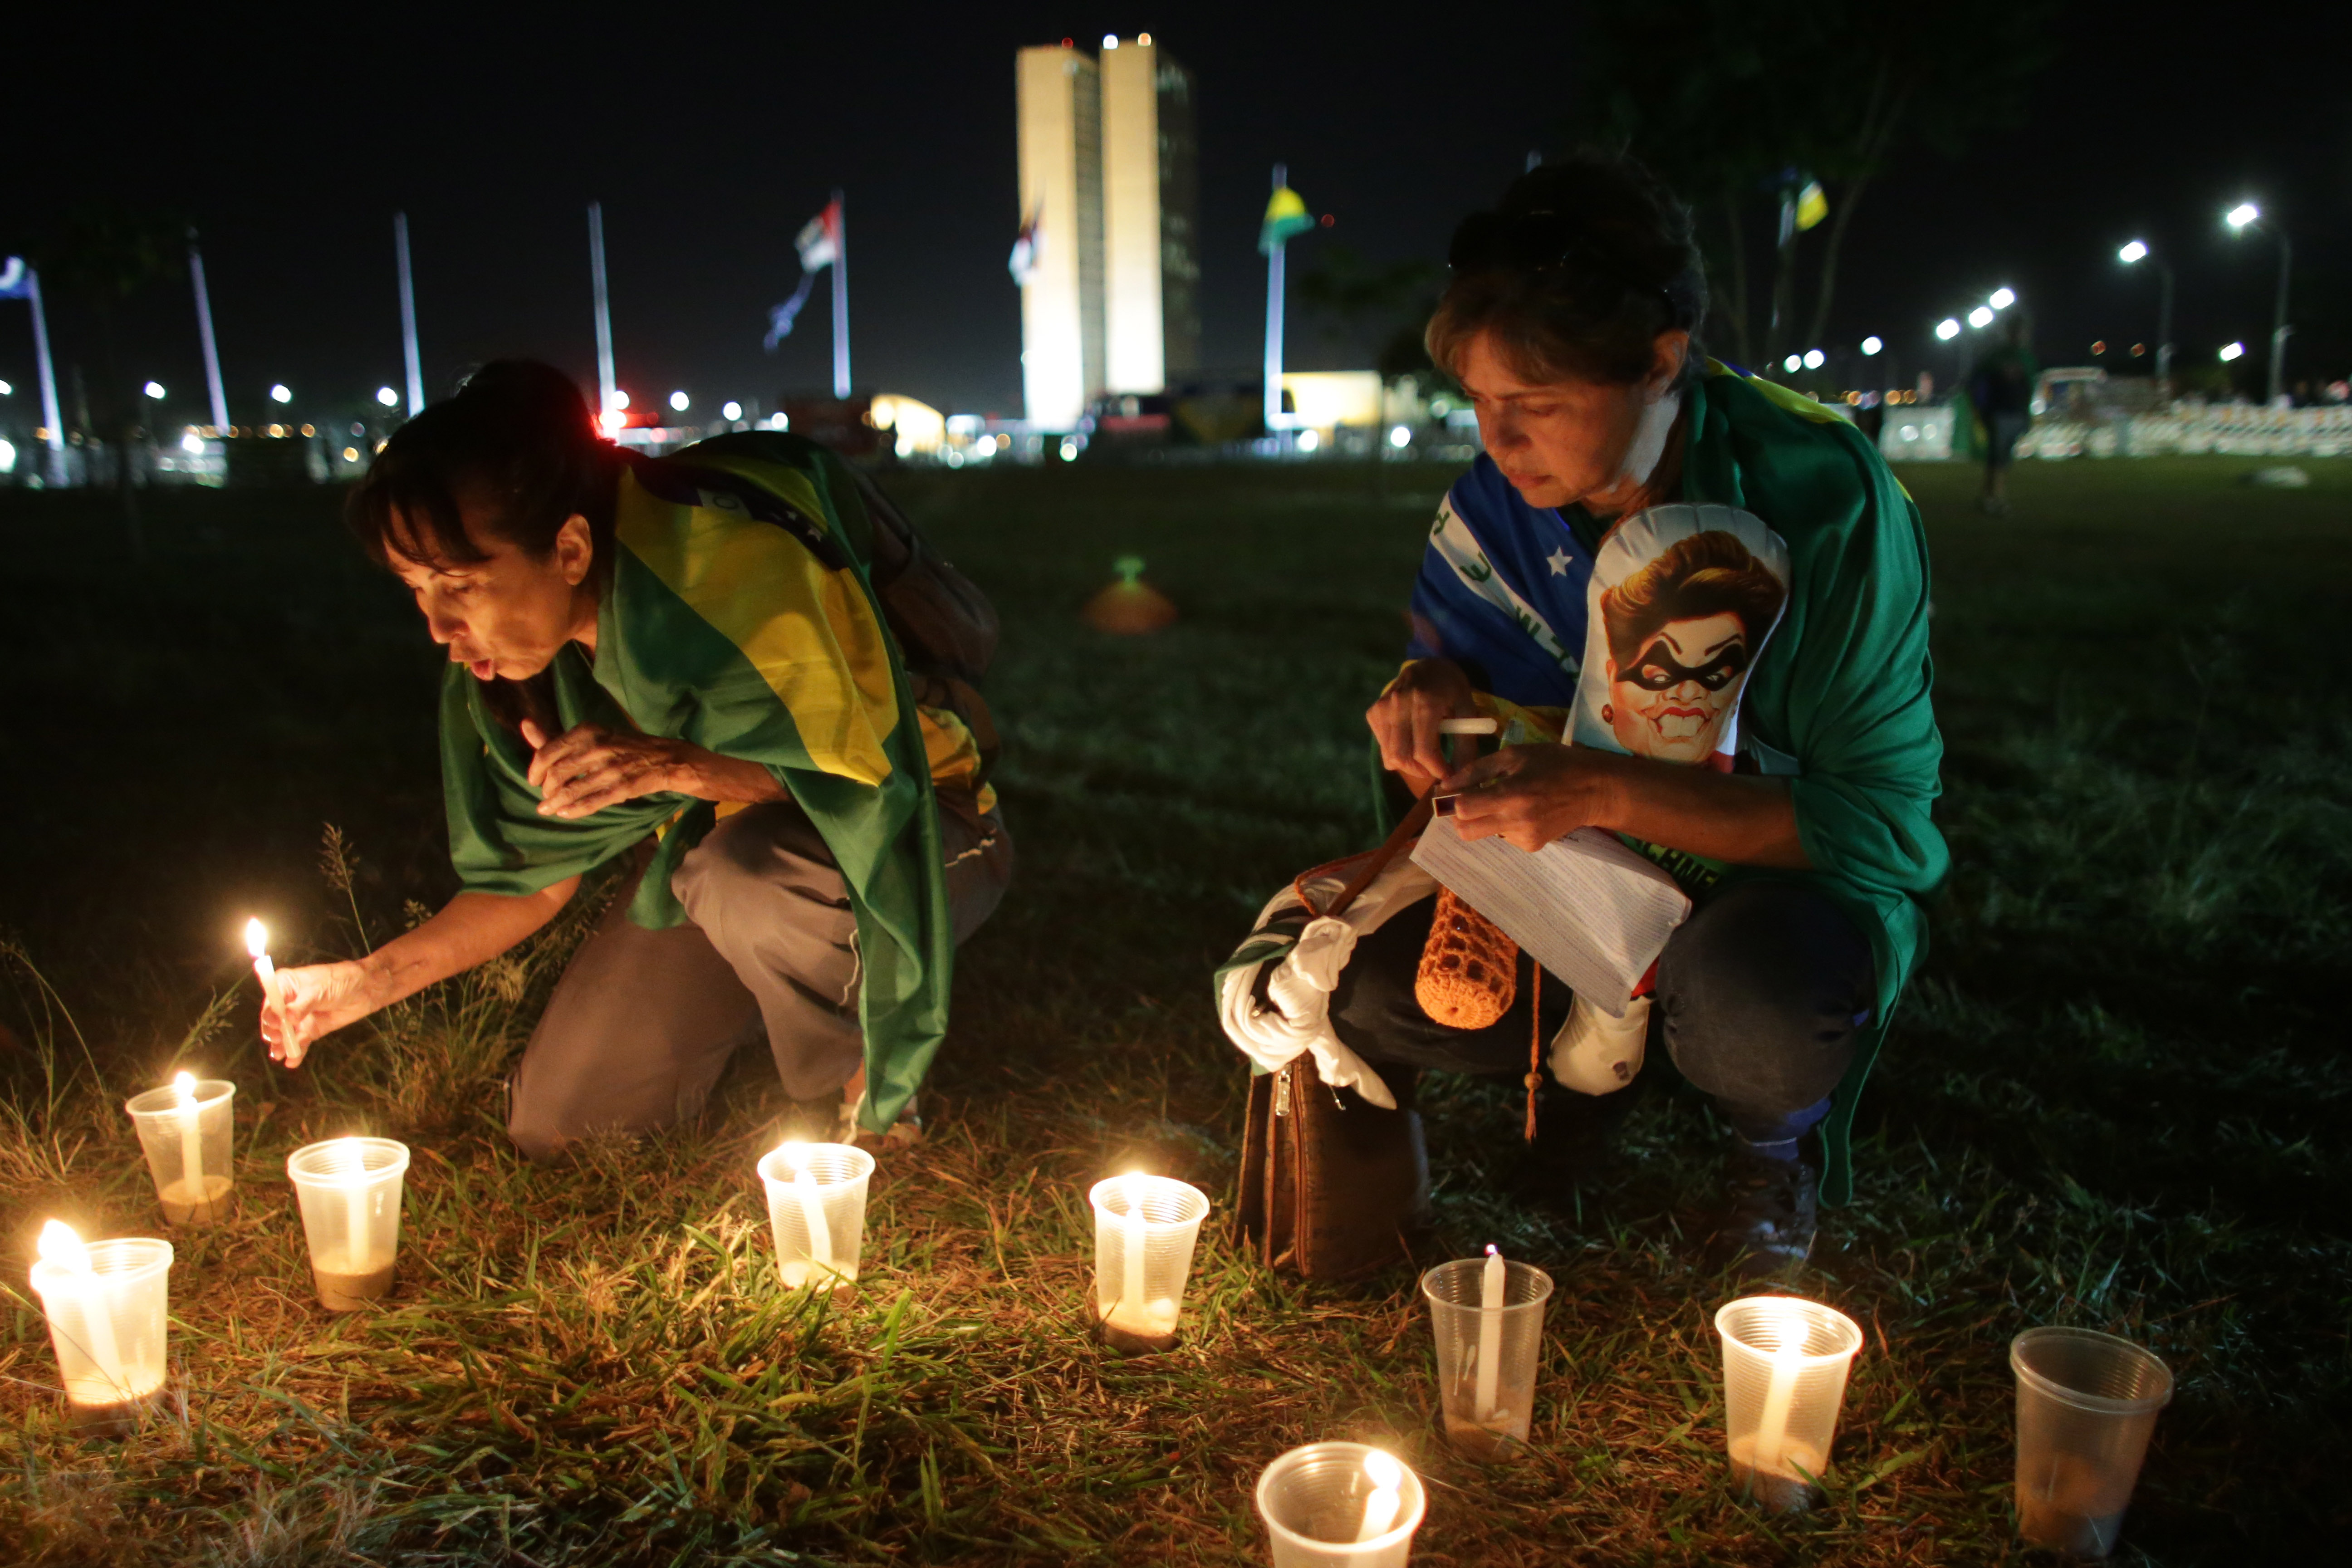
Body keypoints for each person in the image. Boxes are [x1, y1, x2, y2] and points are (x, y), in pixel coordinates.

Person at [1230, 152, 1945, 1276]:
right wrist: (1432, 704)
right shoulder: (1498, 509)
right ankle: (1578, 1081)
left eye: (1537, 405)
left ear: (1661, 363)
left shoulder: (1819, 495)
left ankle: (1769, 1149)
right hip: (1567, 876)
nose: (1497, 443)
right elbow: (1459, 730)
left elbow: (1884, 830)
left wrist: (1606, 786)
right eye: (1479, 403)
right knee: (1371, 980)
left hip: (1764, 895)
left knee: (1760, 1000)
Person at [261, 362, 1011, 1156]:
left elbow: (869, 775)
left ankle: (873, 1100)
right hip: (720, 861)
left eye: (462, 584)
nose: (440, 627)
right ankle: (783, 986)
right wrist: (366, 982)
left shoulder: (731, 571)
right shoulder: (503, 673)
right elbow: (531, 878)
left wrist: (675, 765)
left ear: (570, 549)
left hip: (923, 824)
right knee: (561, 1122)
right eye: (416, 587)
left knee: (744, 883)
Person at [1968, 313, 2037, 514]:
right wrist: (1979, 407)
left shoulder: (2027, 358)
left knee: (2003, 458)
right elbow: (1974, 381)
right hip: (1998, 412)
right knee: (1997, 456)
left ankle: (1988, 496)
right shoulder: (1997, 357)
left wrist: (2027, 415)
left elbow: (2029, 390)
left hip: (2016, 413)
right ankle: (1995, 498)